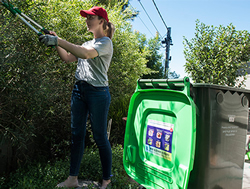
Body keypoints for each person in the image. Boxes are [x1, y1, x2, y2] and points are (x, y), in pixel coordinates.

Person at [39, 6, 115, 189]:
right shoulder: (87, 42)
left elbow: (85, 54)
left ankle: (107, 179)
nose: (87, 20)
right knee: (76, 135)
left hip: (98, 93)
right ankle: (72, 179)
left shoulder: (105, 43)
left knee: (99, 137)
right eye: (86, 17)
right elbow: (67, 57)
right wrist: (56, 41)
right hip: (79, 91)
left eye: (91, 17)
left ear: (101, 21)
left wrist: (58, 40)